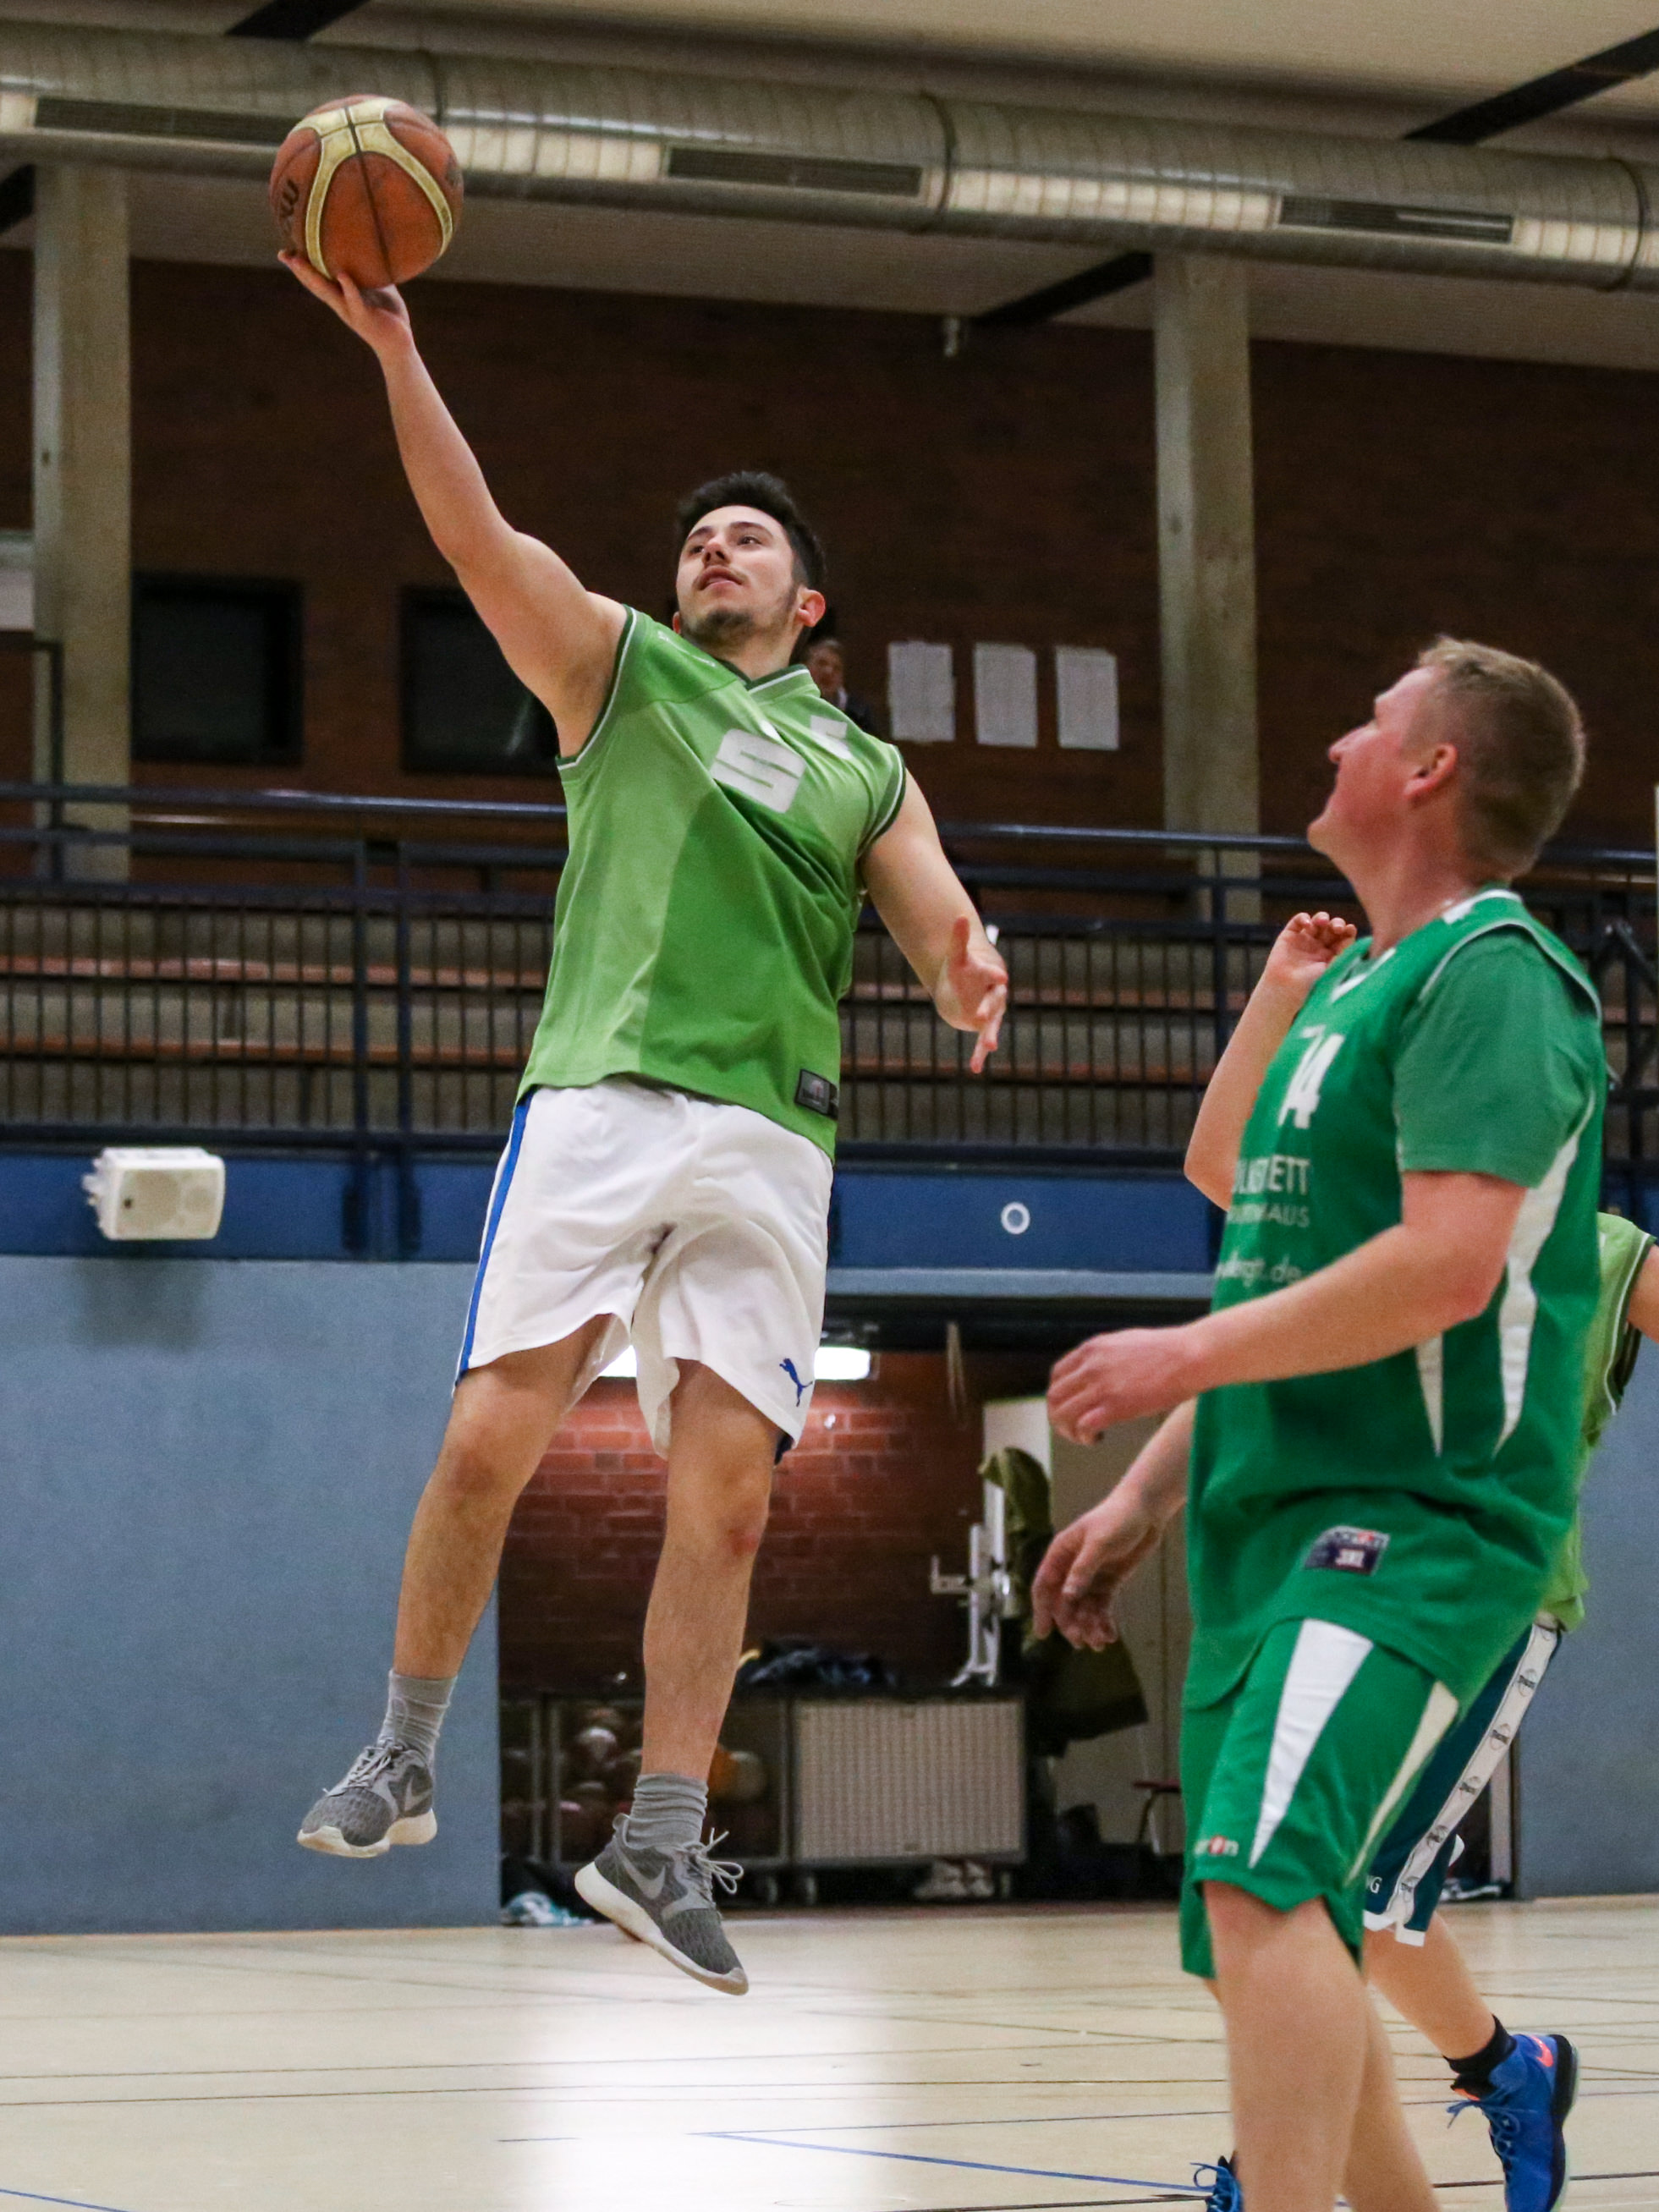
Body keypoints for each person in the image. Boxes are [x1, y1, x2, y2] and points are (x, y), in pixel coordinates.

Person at [277, 253, 1008, 1996]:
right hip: (606, 1092)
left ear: (809, 603)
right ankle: (404, 1748)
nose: (714, 551)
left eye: (748, 540)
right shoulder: (620, 673)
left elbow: (932, 918)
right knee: (488, 1441)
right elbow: (476, 539)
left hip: (776, 1137)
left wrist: (966, 968)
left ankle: (662, 1836)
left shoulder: (865, 768)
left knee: (731, 1505)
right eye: (699, 540)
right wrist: (395, 349)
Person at [1039, 639, 1603, 2212]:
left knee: (1267, 1882)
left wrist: (1179, 1353)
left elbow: (1443, 1267)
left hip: (1412, 1518)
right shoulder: (1354, 985)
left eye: (1373, 717)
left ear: (1430, 768)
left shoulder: (1496, 971)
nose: (1341, 735)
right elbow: (1270, 1259)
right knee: (1268, 1927)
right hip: (1261, 1522)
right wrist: (1146, 1493)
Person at [805, 634, 883, 735]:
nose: (829, 671)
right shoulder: (792, 701)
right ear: (805, 666)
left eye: (837, 668)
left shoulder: (859, 714)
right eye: (821, 663)